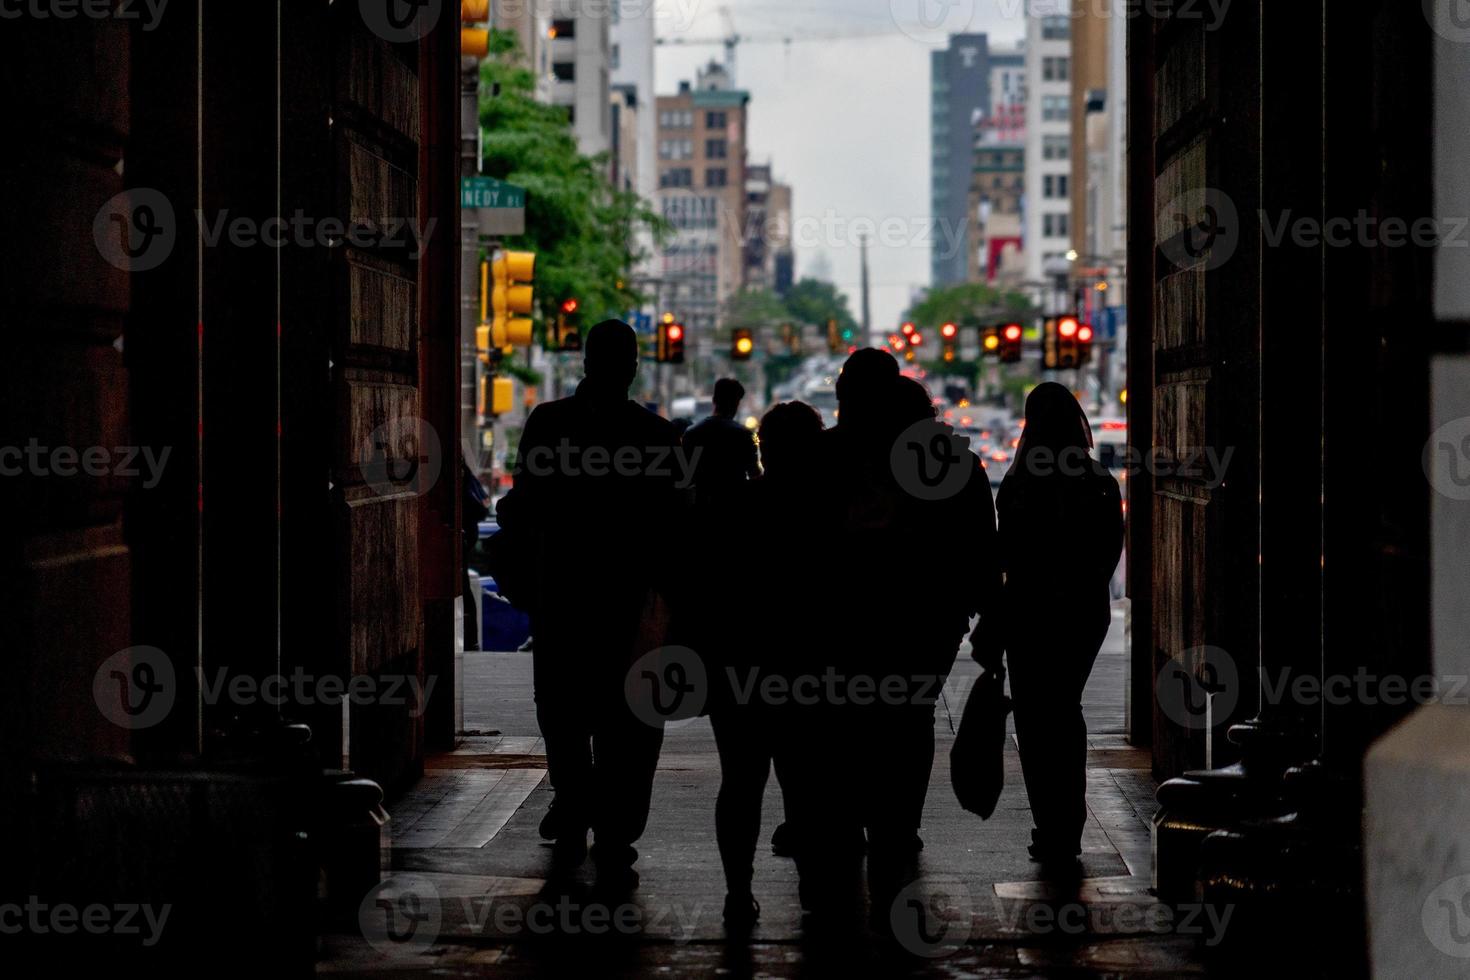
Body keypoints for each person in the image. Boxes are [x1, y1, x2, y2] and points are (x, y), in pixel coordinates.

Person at [492, 319, 682, 893]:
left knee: (564, 711)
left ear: (583, 360)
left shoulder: (549, 424)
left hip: (564, 599)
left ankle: (574, 803)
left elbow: (523, 504)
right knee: (629, 722)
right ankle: (617, 827)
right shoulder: (657, 435)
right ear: (632, 367)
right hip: (630, 605)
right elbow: (676, 525)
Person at [703, 400, 825, 931]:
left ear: (764, 450)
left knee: (740, 782)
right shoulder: (831, 516)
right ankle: (814, 889)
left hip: (740, 667)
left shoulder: (734, 510)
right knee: (807, 783)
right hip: (808, 668)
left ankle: (738, 891)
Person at [993, 381, 1123, 874]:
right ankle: (1069, 826)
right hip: (1083, 611)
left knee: (1034, 716)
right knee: (1065, 711)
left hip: (1030, 610)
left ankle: (1050, 825)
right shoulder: (1098, 479)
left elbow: (1004, 552)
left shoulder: (1021, 482)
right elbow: (1109, 550)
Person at [681, 377, 760, 509]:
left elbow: (684, 477)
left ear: (714, 400)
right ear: (737, 404)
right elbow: (755, 474)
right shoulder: (745, 435)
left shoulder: (691, 433)